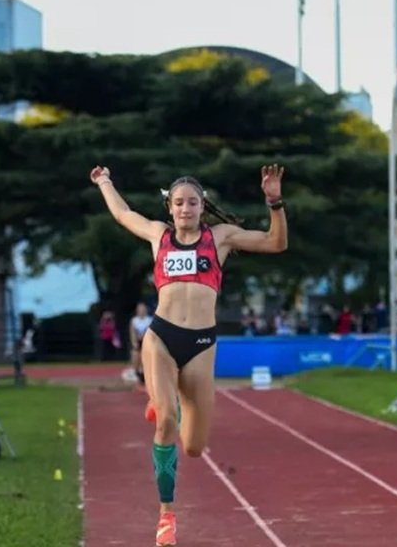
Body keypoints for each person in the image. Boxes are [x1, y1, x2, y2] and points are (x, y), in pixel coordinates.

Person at [90, 163, 287, 546]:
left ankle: (163, 396)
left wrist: (274, 202)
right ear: (170, 207)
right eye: (179, 202)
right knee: (166, 420)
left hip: (200, 345)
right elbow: (123, 214)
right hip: (162, 336)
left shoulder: (220, 237)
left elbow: (275, 242)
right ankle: (166, 515)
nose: (185, 208)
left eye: (192, 202)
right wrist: (105, 182)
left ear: (202, 206)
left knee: (194, 447)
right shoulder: (159, 235)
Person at [129, 303, 153, 385]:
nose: (141, 311)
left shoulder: (149, 320)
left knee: (146, 356)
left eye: (143, 309)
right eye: (140, 309)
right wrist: (134, 343)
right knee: (135, 354)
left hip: (147, 341)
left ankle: (145, 372)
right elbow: (132, 333)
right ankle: (136, 371)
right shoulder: (134, 320)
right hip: (138, 341)